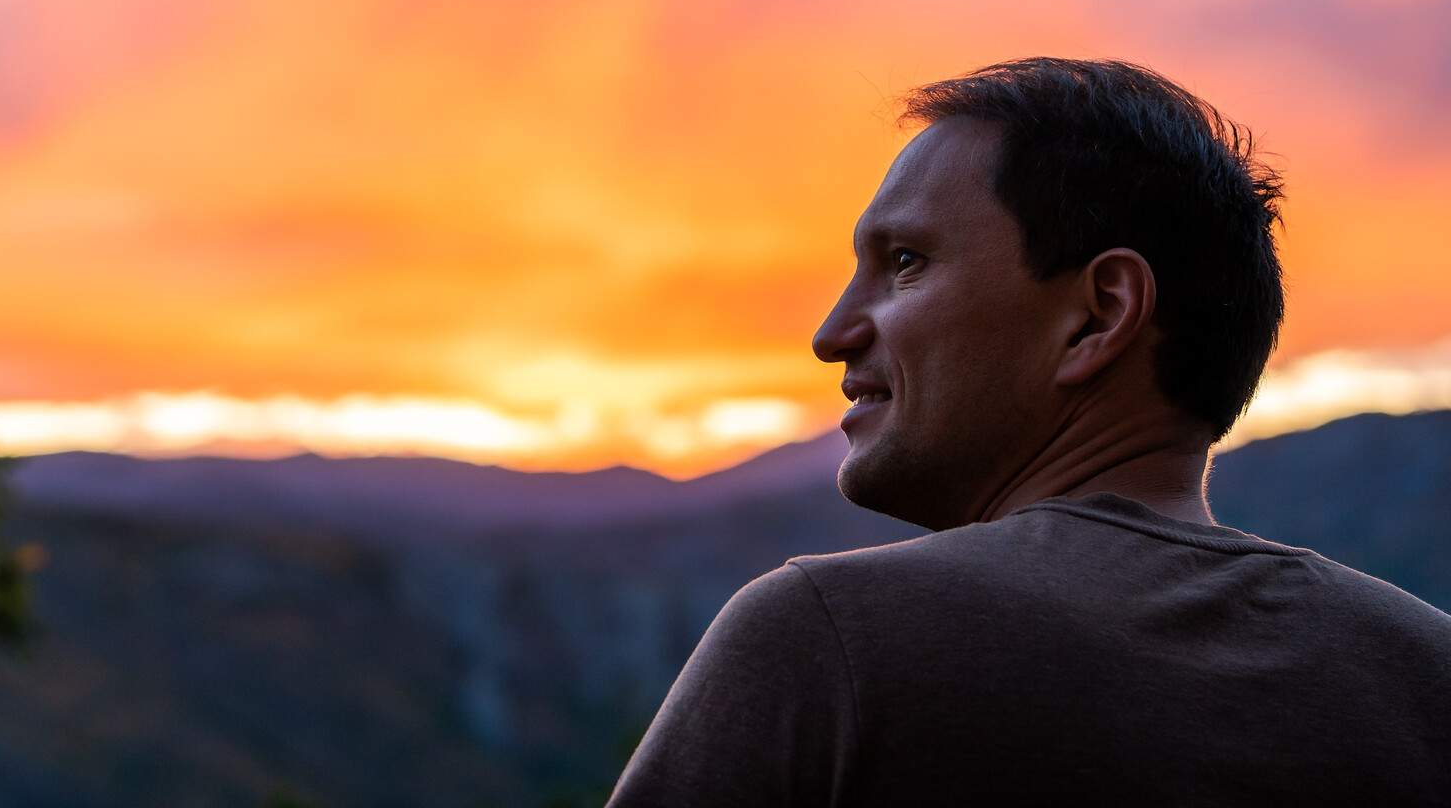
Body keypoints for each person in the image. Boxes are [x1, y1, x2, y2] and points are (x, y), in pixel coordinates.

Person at [607, 57, 1451, 807]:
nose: (833, 332)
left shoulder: (830, 641)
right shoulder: (1426, 675)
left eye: (905, 262)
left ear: (1099, 315)